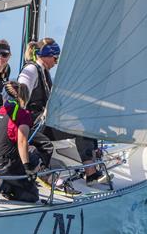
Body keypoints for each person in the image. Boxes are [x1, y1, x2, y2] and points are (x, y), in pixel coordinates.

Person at [18, 38, 108, 186]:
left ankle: (93, 167)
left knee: (85, 125)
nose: (56, 62)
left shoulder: (44, 72)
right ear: (47, 55)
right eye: (55, 58)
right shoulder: (31, 70)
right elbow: (20, 96)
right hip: (32, 125)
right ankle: (90, 174)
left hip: (44, 122)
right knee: (79, 128)